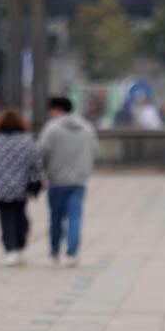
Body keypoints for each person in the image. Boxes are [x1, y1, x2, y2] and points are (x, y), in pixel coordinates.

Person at [38, 95, 98, 266]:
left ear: (56, 109)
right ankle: (72, 252)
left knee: (56, 218)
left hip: (56, 181)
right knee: (75, 217)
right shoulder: (87, 128)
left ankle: (55, 251)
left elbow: (42, 152)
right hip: (79, 180)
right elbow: (95, 150)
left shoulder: (51, 128)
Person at [0, 109, 43, 267]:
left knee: (5, 217)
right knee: (20, 214)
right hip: (21, 184)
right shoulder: (28, 140)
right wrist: (38, 179)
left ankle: (10, 248)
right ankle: (20, 244)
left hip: (2, 185)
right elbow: (36, 162)